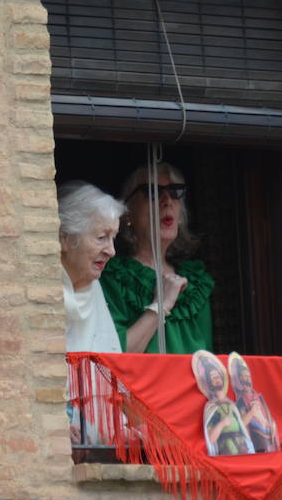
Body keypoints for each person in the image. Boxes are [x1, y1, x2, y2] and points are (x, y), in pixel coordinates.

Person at [100, 162, 214, 354]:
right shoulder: (112, 277)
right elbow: (114, 358)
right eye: (152, 191)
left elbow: (209, 362)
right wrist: (161, 305)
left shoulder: (196, 284)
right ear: (128, 213)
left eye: (175, 192)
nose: (167, 200)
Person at [58, 181, 125, 444]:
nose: (111, 250)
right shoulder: (37, 296)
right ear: (65, 238)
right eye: (101, 237)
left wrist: (121, 428)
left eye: (113, 238)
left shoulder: (93, 290)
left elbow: (110, 378)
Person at [192, 350, 253, 456]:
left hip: (242, 447)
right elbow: (211, 438)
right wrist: (222, 424)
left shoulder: (231, 404)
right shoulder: (211, 407)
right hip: (226, 449)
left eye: (218, 377)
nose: (217, 380)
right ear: (210, 383)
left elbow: (242, 427)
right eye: (214, 378)